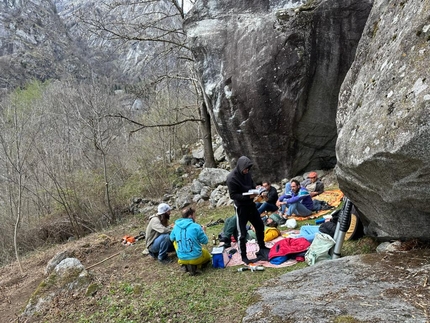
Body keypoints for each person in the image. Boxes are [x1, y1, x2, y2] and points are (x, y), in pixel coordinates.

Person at [226, 156, 269, 264]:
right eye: (245, 169)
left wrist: (258, 189)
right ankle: (244, 256)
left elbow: (252, 184)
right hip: (241, 207)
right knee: (242, 233)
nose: (247, 171)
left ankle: (262, 248)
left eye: (248, 169)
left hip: (251, 205)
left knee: (259, 225)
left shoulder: (247, 174)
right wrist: (247, 197)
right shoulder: (231, 178)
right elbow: (233, 195)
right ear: (240, 167)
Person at [170, 207, 211, 275]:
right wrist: (203, 232)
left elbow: (171, 238)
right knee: (207, 255)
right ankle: (197, 266)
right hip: (196, 258)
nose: (195, 217)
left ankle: (184, 264)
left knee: (175, 242)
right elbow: (205, 241)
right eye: (194, 215)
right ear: (190, 216)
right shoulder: (196, 226)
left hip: (181, 258)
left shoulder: (176, 227)